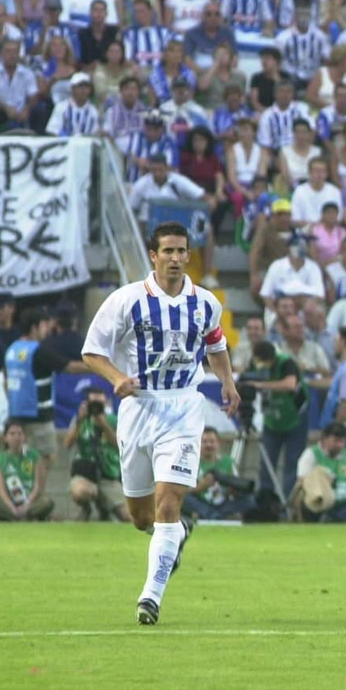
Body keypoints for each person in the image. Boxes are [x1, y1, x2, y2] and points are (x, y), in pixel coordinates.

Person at [81, 221, 240, 626]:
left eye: (180, 251)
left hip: (185, 407)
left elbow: (215, 346)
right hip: (138, 408)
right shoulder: (126, 300)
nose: (174, 258)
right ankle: (177, 533)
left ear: (189, 256)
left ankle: (150, 597)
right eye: (166, 251)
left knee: (168, 502)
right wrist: (117, 378)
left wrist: (227, 382)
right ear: (153, 256)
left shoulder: (205, 303)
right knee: (141, 517)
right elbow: (92, 352)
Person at [4, 306, 87, 460]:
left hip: (15, 415)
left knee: (17, 459)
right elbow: (69, 367)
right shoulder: (38, 351)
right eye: (44, 324)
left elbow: (6, 382)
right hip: (39, 416)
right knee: (45, 458)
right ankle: (36, 485)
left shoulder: (11, 350)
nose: (48, 328)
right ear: (34, 327)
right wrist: (99, 367)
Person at [244, 340, 310, 497]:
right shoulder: (254, 363)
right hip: (272, 419)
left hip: (295, 418)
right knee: (266, 463)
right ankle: (266, 499)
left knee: (292, 463)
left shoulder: (286, 362)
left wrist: (261, 385)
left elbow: (290, 384)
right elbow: (247, 379)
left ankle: (288, 500)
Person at [290, 421, 346, 522]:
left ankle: (337, 517)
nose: (340, 445)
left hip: (342, 501)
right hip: (319, 502)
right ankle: (343, 516)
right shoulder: (311, 454)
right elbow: (302, 481)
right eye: (336, 441)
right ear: (324, 439)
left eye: (342, 441)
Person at [66, 386, 127, 521]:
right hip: (86, 475)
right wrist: (79, 420)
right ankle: (86, 508)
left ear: (105, 402)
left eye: (99, 403)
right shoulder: (80, 420)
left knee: (128, 516)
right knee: (81, 492)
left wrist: (104, 425)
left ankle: (105, 509)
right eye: (93, 403)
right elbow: (67, 444)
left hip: (108, 475)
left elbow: (120, 446)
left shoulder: (113, 420)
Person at [0, 420, 55, 521]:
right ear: (5, 438)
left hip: (30, 501)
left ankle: (19, 517)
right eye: (12, 434)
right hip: (10, 502)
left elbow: (37, 486)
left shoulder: (34, 455)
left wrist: (26, 504)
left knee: (47, 502)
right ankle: (20, 517)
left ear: (24, 437)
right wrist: (12, 507)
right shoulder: (1, 458)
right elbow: (1, 489)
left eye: (19, 434)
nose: (16, 437)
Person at [184, 428, 255, 521]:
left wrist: (233, 489)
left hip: (224, 502)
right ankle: (214, 515)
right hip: (202, 502)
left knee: (249, 499)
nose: (208, 445)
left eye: (212, 442)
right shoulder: (191, 462)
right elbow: (182, 492)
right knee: (184, 498)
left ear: (218, 443)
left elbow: (238, 485)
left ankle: (213, 515)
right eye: (204, 442)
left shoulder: (229, 462)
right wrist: (201, 486)